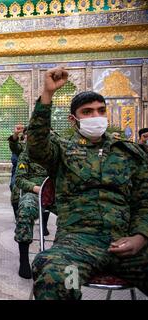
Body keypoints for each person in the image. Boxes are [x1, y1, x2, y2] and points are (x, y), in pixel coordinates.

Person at [27, 66, 148, 299]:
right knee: (59, 277)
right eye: (88, 112)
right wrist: (47, 95)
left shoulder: (130, 153)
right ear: (74, 120)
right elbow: (36, 145)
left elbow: (144, 200)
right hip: (77, 249)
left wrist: (141, 237)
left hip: (130, 247)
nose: (96, 116)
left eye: (100, 111)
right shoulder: (62, 151)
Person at [14, 148, 50, 279]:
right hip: (35, 191)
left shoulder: (59, 150)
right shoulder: (26, 154)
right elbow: (19, 179)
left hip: (58, 192)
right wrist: (36, 189)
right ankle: (24, 260)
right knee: (25, 209)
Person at [8, 124, 27, 221]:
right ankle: (18, 217)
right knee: (14, 187)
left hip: (38, 174)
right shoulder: (22, 146)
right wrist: (15, 134)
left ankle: (43, 224)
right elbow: (14, 146)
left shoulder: (41, 145)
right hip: (20, 172)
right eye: (26, 134)